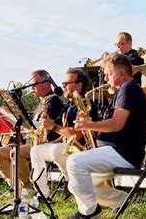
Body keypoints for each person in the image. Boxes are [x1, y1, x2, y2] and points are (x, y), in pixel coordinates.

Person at [67, 53, 146, 218]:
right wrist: (92, 124)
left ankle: (89, 213)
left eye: (108, 74)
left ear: (121, 74)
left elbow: (116, 124)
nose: (105, 79)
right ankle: (123, 201)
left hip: (124, 153)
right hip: (117, 151)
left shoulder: (129, 89)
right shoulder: (122, 92)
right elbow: (114, 125)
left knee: (74, 162)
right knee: (74, 183)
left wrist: (87, 124)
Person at [30, 68, 98, 201]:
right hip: (68, 147)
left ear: (78, 85)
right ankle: (42, 194)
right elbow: (66, 132)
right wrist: (54, 141)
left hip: (83, 150)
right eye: (63, 83)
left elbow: (77, 135)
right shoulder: (70, 105)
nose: (63, 86)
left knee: (55, 150)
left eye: (66, 83)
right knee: (37, 150)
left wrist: (53, 126)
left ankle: (70, 181)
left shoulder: (84, 104)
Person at [0, 70, 64, 191]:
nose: (32, 88)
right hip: (34, 142)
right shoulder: (43, 101)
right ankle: (17, 188)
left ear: (46, 84)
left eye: (34, 84)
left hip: (45, 143)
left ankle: (27, 188)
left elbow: (44, 129)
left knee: (3, 153)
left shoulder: (53, 101)